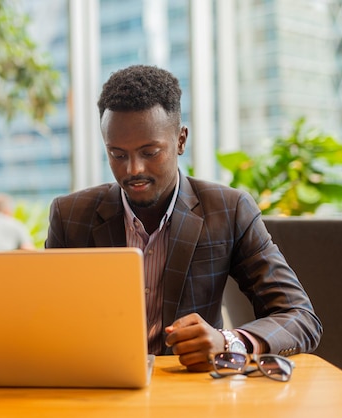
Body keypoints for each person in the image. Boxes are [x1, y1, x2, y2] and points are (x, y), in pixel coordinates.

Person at [45, 65, 322, 372]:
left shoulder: (228, 210)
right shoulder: (70, 216)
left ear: (180, 140)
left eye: (150, 152)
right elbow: (46, 320)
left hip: (191, 392)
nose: (132, 169)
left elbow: (300, 316)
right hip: (101, 387)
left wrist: (228, 342)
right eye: (117, 154)